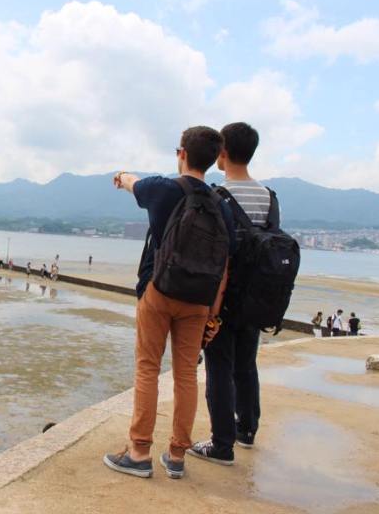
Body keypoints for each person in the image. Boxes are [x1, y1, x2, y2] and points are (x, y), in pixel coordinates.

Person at [103, 126, 234, 480]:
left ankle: (139, 452)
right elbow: (224, 266)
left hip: (159, 291)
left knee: (148, 368)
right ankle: (176, 456)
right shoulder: (222, 207)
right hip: (199, 302)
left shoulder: (163, 189)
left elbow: (132, 183)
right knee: (186, 375)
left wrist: (122, 176)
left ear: (182, 154)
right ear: (213, 160)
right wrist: (213, 314)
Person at [189, 122, 276, 467]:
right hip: (257, 298)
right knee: (246, 365)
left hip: (223, 298)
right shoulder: (269, 196)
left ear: (222, 152)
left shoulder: (218, 195)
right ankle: (247, 429)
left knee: (219, 367)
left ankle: (221, 444)